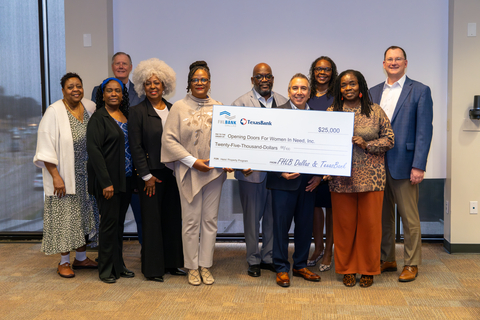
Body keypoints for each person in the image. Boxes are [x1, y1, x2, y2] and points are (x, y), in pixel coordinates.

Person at [161, 61, 230, 286]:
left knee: (210, 221)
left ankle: (205, 265)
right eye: (195, 80)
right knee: (190, 221)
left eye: (204, 79)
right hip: (189, 172)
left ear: (209, 82)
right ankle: (191, 266)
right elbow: (169, 140)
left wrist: (230, 160)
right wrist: (193, 162)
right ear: (189, 83)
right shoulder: (178, 107)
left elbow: (228, 140)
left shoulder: (220, 107)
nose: (200, 83)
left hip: (213, 173)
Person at [369, 46, 433, 282]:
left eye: (398, 59)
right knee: (382, 216)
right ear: (383, 64)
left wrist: (419, 165)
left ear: (406, 63)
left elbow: (424, 131)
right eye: (389, 59)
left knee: (409, 217)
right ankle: (387, 258)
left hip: (405, 164)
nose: (393, 62)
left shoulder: (420, 91)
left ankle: (412, 263)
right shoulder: (373, 92)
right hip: (375, 165)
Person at [328, 70, 394, 287]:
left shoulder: (375, 111)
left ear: (360, 86)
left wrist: (368, 144)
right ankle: (347, 269)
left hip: (372, 180)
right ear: (339, 89)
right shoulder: (332, 112)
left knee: (370, 227)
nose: (348, 88)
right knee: (344, 228)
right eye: (344, 85)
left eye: (352, 84)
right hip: (341, 180)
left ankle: (368, 269)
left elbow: (389, 139)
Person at [34, 72, 99, 278]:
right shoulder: (54, 111)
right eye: (70, 87)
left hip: (85, 174)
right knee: (66, 218)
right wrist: (55, 176)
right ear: (63, 90)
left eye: (78, 86)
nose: (75, 90)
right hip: (64, 174)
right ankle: (63, 262)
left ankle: (80, 258)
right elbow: (45, 146)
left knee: (82, 217)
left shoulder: (88, 107)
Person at [129, 58, 185, 282]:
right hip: (150, 176)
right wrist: (146, 176)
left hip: (172, 173)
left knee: (172, 219)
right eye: (148, 83)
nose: (153, 87)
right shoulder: (137, 111)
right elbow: (135, 146)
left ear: (165, 86)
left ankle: (173, 264)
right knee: (152, 222)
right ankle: (152, 269)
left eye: (157, 83)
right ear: (143, 86)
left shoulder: (173, 109)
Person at [231, 62, 287, 277]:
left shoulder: (283, 102)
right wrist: (238, 163)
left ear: (273, 78)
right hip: (251, 173)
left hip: (277, 174)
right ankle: (253, 259)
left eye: (268, 76)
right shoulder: (240, 104)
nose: (264, 80)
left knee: (273, 217)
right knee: (252, 219)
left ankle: (268, 257)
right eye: (259, 76)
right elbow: (232, 139)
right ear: (252, 80)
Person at [267, 73, 322, 288]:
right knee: (280, 227)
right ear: (289, 91)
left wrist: (320, 175)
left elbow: (322, 150)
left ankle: (300, 265)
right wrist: (280, 171)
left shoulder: (319, 117)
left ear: (310, 93)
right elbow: (267, 146)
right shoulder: (276, 114)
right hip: (282, 182)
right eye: (295, 88)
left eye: (303, 89)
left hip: (309, 183)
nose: (299, 92)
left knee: (305, 227)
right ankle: (281, 268)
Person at [91, 52, 144, 245]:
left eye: (125, 64)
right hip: (112, 167)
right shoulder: (99, 90)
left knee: (141, 217)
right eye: (117, 63)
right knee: (112, 219)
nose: (121, 66)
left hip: (135, 168)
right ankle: (110, 259)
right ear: (112, 66)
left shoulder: (141, 91)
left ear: (130, 67)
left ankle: (145, 257)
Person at [87, 77, 135, 284]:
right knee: (108, 226)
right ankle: (105, 269)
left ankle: (119, 265)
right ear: (103, 94)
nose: (114, 94)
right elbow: (94, 152)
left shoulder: (126, 116)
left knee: (118, 226)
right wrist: (106, 182)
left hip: (125, 180)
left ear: (123, 94)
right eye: (109, 90)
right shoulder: (99, 118)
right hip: (109, 183)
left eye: (118, 90)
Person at [306, 56, 337, 272]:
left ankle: (329, 251)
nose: (322, 72)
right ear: (313, 71)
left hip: (331, 158)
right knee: (315, 206)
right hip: (309, 157)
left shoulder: (338, 96)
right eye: (318, 69)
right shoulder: (306, 95)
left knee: (332, 206)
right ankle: (318, 248)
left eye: (326, 69)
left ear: (332, 72)